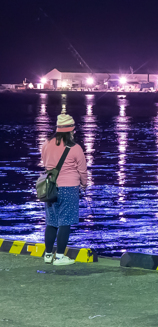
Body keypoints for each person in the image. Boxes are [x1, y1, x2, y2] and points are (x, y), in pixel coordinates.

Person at [39, 109, 89, 266]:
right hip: (69, 187)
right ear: (71, 130)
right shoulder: (75, 148)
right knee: (65, 222)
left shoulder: (46, 144)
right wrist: (84, 184)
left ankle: (48, 255)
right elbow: (82, 170)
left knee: (51, 221)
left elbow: (45, 163)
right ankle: (60, 257)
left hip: (50, 187)